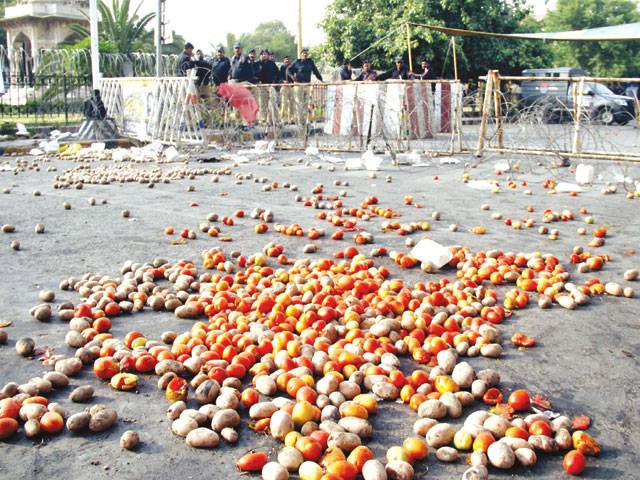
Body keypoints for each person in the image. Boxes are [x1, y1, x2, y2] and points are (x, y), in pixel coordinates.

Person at [290, 48, 323, 125]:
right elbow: (288, 70)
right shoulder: (297, 62)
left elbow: (315, 71)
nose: (305, 54)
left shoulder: (310, 62)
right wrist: (292, 77)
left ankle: (304, 120)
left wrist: (321, 79)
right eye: (303, 53)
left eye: (306, 53)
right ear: (301, 54)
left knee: (306, 103)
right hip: (299, 85)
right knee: (299, 103)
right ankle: (299, 120)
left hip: (307, 85)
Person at [256, 49, 280, 124]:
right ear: (260, 55)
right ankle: (263, 120)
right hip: (261, 86)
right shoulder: (257, 64)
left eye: (265, 54)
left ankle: (276, 120)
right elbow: (253, 74)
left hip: (271, 86)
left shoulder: (272, 63)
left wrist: (275, 82)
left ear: (268, 55)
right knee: (262, 104)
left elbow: (278, 74)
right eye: (262, 54)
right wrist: (257, 81)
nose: (264, 55)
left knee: (273, 103)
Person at [279, 56, 295, 123]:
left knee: (292, 104)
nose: (287, 61)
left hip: (291, 87)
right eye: (286, 60)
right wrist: (283, 81)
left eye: (288, 60)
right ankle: (282, 118)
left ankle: (291, 119)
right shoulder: (282, 67)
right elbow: (279, 77)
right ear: (283, 61)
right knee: (284, 104)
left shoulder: (292, 68)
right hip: (284, 87)